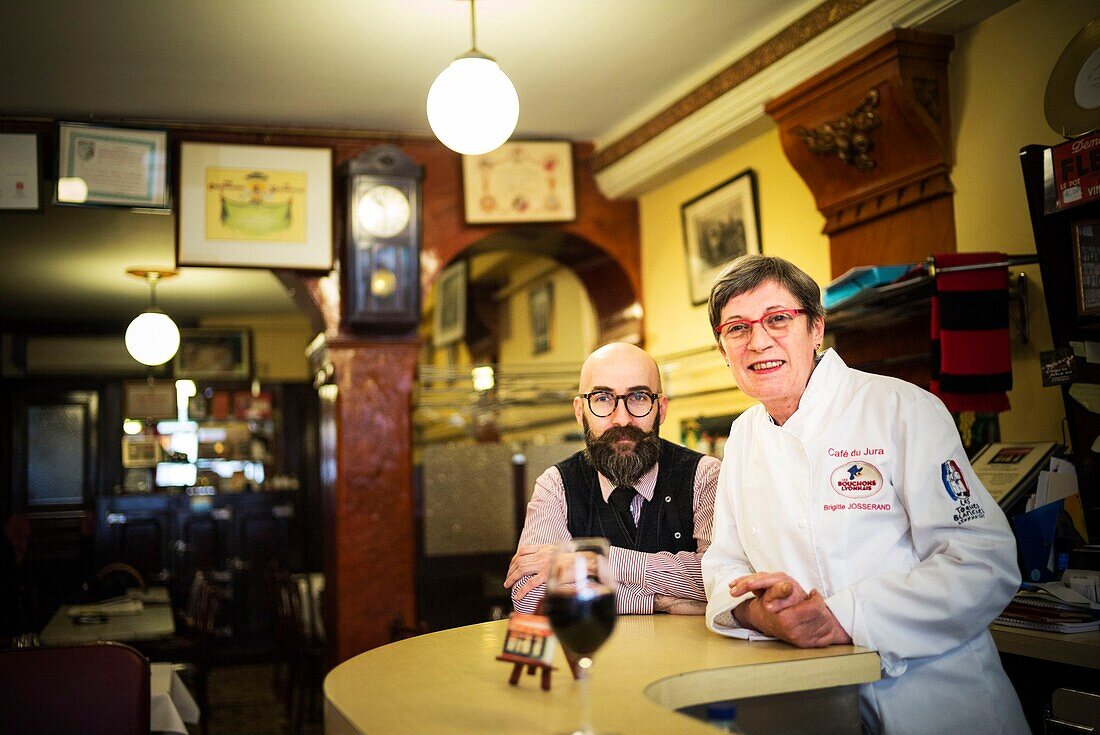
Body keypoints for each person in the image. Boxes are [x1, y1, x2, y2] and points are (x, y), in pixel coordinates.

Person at [700, 254, 1028, 734]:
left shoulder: (901, 409)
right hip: (815, 700)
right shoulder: (743, 434)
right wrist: (760, 614)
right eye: (737, 328)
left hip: (936, 701)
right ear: (722, 348)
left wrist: (844, 617)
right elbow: (724, 563)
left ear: (816, 328)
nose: (758, 341)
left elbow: (982, 562)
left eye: (777, 319)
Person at [505, 342, 720, 615]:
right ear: (579, 410)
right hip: (591, 655)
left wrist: (595, 561)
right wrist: (658, 601)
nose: (621, 419)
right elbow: (532, 596)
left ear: (662, 409)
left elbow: (719, 578)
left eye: (639, 397)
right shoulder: (555, 485)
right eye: (603, 398)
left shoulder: (705, 475)